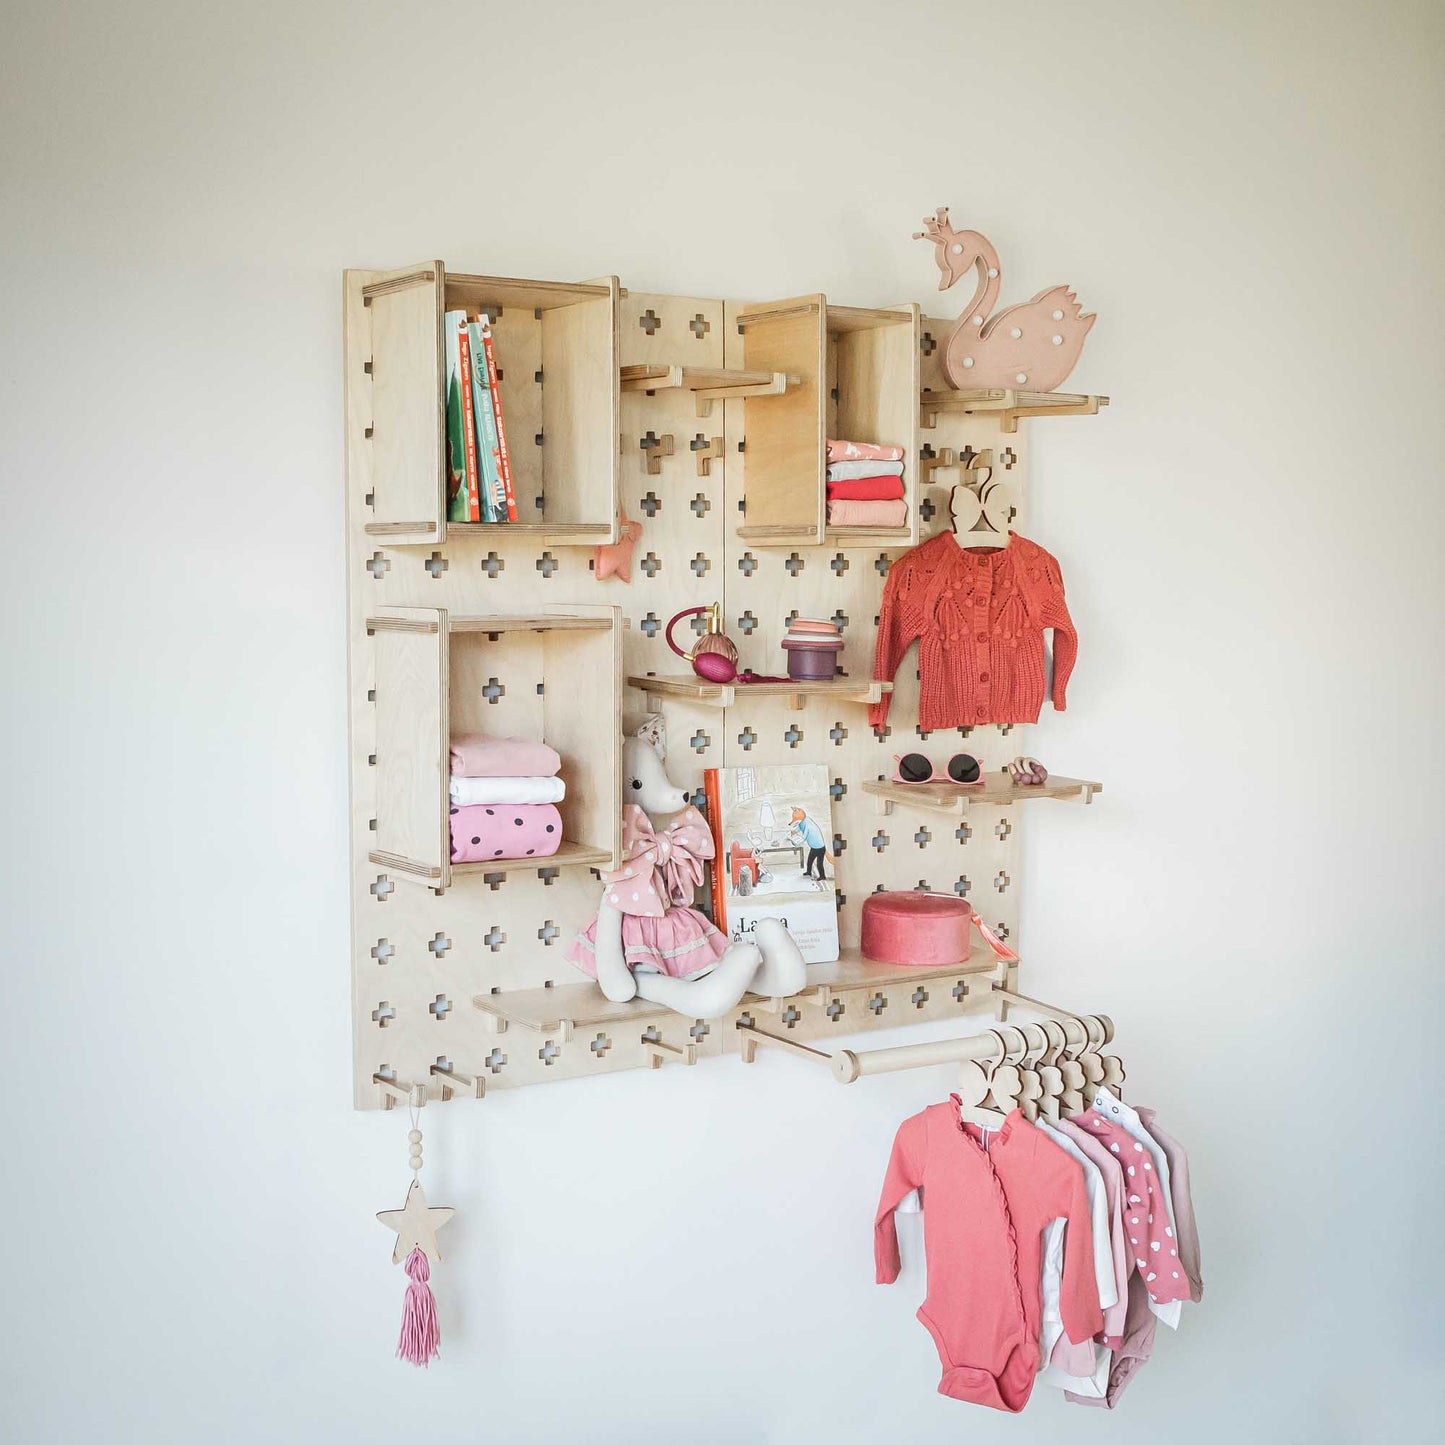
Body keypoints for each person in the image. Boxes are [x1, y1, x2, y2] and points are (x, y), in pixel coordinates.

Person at [790, 807, 828, 882]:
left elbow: (804, 838)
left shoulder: (808, 825)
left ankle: (822, 876)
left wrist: (795, 842)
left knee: (819, 864)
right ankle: (808, 872)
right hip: (814, 847)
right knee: (810, 861)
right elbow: (800, 827)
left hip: (819, 848)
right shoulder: (804, 821)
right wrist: (794, 831)